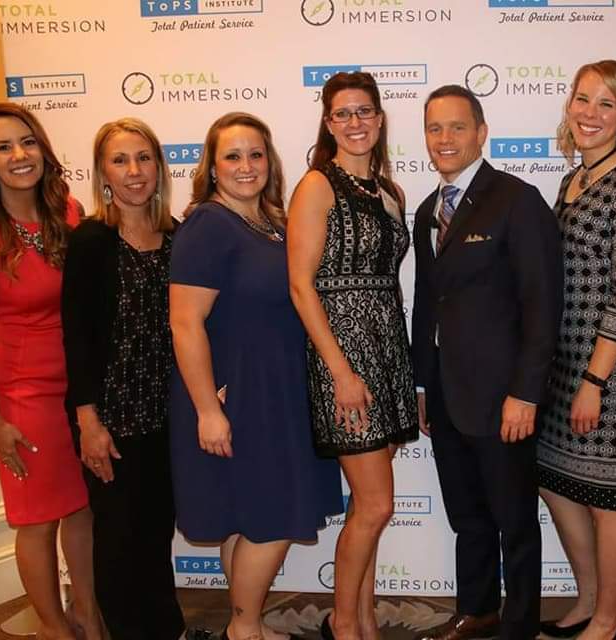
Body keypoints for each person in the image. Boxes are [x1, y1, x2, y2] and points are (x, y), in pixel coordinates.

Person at [169, 112, 344, 640]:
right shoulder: (207, 224)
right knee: (273, 514)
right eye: (232, 156)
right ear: (212, 167)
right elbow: (184, 322)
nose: (246, 166)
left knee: (246, 515)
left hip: (275, 391)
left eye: (256, 154)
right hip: (239, 398)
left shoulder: (271, 222)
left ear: (270, 160)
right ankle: (244, 628)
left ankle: (248, 624)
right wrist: (207, 410)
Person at [411, 85, 563, 640]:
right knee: (467, 519)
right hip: (448, 397)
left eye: (457, 127)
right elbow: (427, 305)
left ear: (481, 132)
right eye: (434, 128)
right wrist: (423, 387)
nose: (445, 139)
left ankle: (519, 624)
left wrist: (525, 393)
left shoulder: (518, 201)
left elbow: (543, 306)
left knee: (514, 521)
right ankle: (477, 610)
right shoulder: (429, 211)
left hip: (504, 400)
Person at [0, 102, 103, 640]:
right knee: (38, 518)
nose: (19, 156)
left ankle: (88, 614)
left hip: (81, 391)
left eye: (27, 142)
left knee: (84, 509)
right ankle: (54, 627)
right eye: (4, 147)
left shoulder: (66, 212)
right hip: (25, 393)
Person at [288, 71, 419, 640]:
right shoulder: (317, 185)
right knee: (375, 505)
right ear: (327, 122)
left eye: (364, 111)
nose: (355, 123)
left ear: (380, 118)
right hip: (343, 357)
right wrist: (341, 371)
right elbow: (300, 285)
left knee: (371, 507)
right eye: (342, 113)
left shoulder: (389, 191)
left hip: (388, 350)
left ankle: (364, 620)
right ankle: (343, 624)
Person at [537, 60, 616, 640]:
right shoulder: (574, 180)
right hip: (564, 360)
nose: (590, 113)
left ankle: (609, 620)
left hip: (609, 369)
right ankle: (588, 600)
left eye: (605, 104)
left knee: (608, 500)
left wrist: (594, 382)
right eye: (582, 100)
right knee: (557, 482)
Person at [61, 117, 184, 640]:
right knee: (117, 539)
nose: (134, 171)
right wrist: (88, 421)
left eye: (144, 158)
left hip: (167, 416)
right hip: (111, 419)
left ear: (158, 166)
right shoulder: (92, 240)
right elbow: (78, 337)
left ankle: (166, 627)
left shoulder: (178, 235)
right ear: (102, 174)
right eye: (120, 160)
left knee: (155, 534)